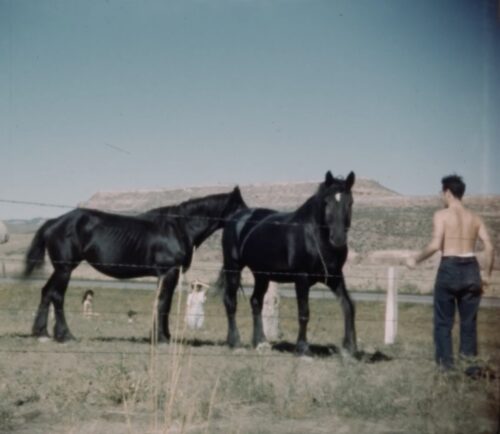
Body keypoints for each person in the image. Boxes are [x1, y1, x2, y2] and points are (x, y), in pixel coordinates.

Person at [406, 174, 494, 370]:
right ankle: (470, 369)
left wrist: (415, 259)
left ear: (447, 192)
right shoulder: (475, 218)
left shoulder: (441, 215)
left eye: (441, 192)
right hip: (472, 269)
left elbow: (436, 245)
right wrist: (487, 275)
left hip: (449, 267)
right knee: (469, 323)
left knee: (443, 323)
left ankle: (446, 369)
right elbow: (489, 247)